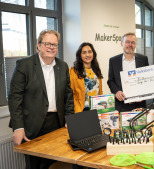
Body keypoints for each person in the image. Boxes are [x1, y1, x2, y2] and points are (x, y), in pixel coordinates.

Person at [8, 29, 74, 169]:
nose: (51, 47)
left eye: (54, 44)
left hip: (57, 123)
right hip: (32, 125)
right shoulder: (24, 65)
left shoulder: (62, 66)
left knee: (54, 163)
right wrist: (18, 127)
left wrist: (70, 118)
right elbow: (15, 98)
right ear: (38, 45)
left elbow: (68, 95)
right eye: (47, 43)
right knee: (35, 165)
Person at [107, 32, 149, 112]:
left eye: (133, 42)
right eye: (127, 42)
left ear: (135, 45)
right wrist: (116, 91)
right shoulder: (113, 61)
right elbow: (110, 80)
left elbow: (147, 80)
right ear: (122, 43)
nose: (130, 45)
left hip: (139, 105)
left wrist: (143, 94)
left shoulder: (143, 59)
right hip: (121, 104)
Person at [69, 42, 103, 113]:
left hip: (96, 109)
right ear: (80, 55)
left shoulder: (96, 70)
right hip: (81, 110)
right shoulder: (73, 71)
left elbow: (100, 91)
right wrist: (77, 110)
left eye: (89, 52)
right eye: (84, 52)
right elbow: (71, 94)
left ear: (93, 53)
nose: (87, 55)